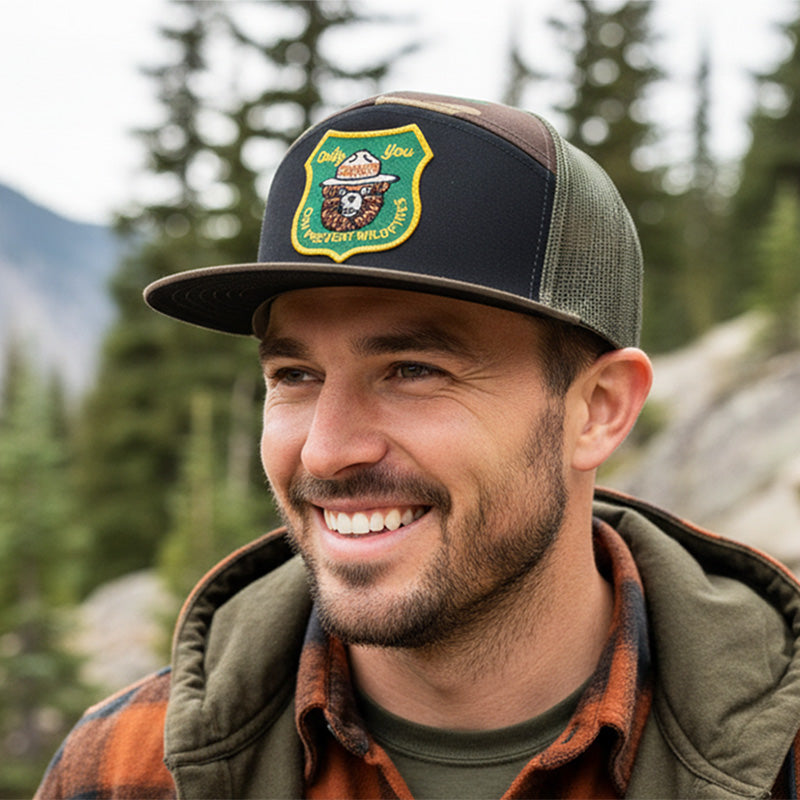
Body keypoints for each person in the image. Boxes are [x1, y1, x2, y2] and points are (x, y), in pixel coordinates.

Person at [36, 91, 800, 800]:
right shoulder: (124, 768)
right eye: (295, 374)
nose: (327, 453)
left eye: (412, 370)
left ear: (597, 410)